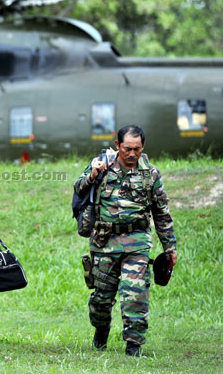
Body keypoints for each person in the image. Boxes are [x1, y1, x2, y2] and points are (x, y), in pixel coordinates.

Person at [74, 125, 178, 357]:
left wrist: (169, 247)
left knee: (135, 291)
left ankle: (134, 344)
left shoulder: (149, 173)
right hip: (104, 242)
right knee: (102, 298)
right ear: (117, 145)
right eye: (127, 149)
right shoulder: (102, 166)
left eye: (137, 149)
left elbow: (161, 213)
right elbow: (78, 189)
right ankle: (101, 330)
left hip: (137, 241)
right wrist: (92, 174)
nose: (132, 154)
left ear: (143, 147)